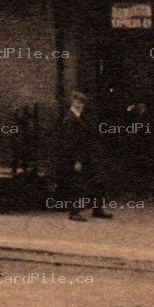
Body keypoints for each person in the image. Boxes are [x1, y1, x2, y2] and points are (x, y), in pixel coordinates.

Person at [58, 91, 111, 221]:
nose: (80, 105)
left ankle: (97, 208)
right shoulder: (70, 119)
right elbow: (70, 142)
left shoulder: (81, 117)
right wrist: (76, 160)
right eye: (77, 102)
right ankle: (74, 212)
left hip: (87, 155)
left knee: (97, 182)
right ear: (72, 102)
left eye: (82, 102)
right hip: (78, 157)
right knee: (78, 185)